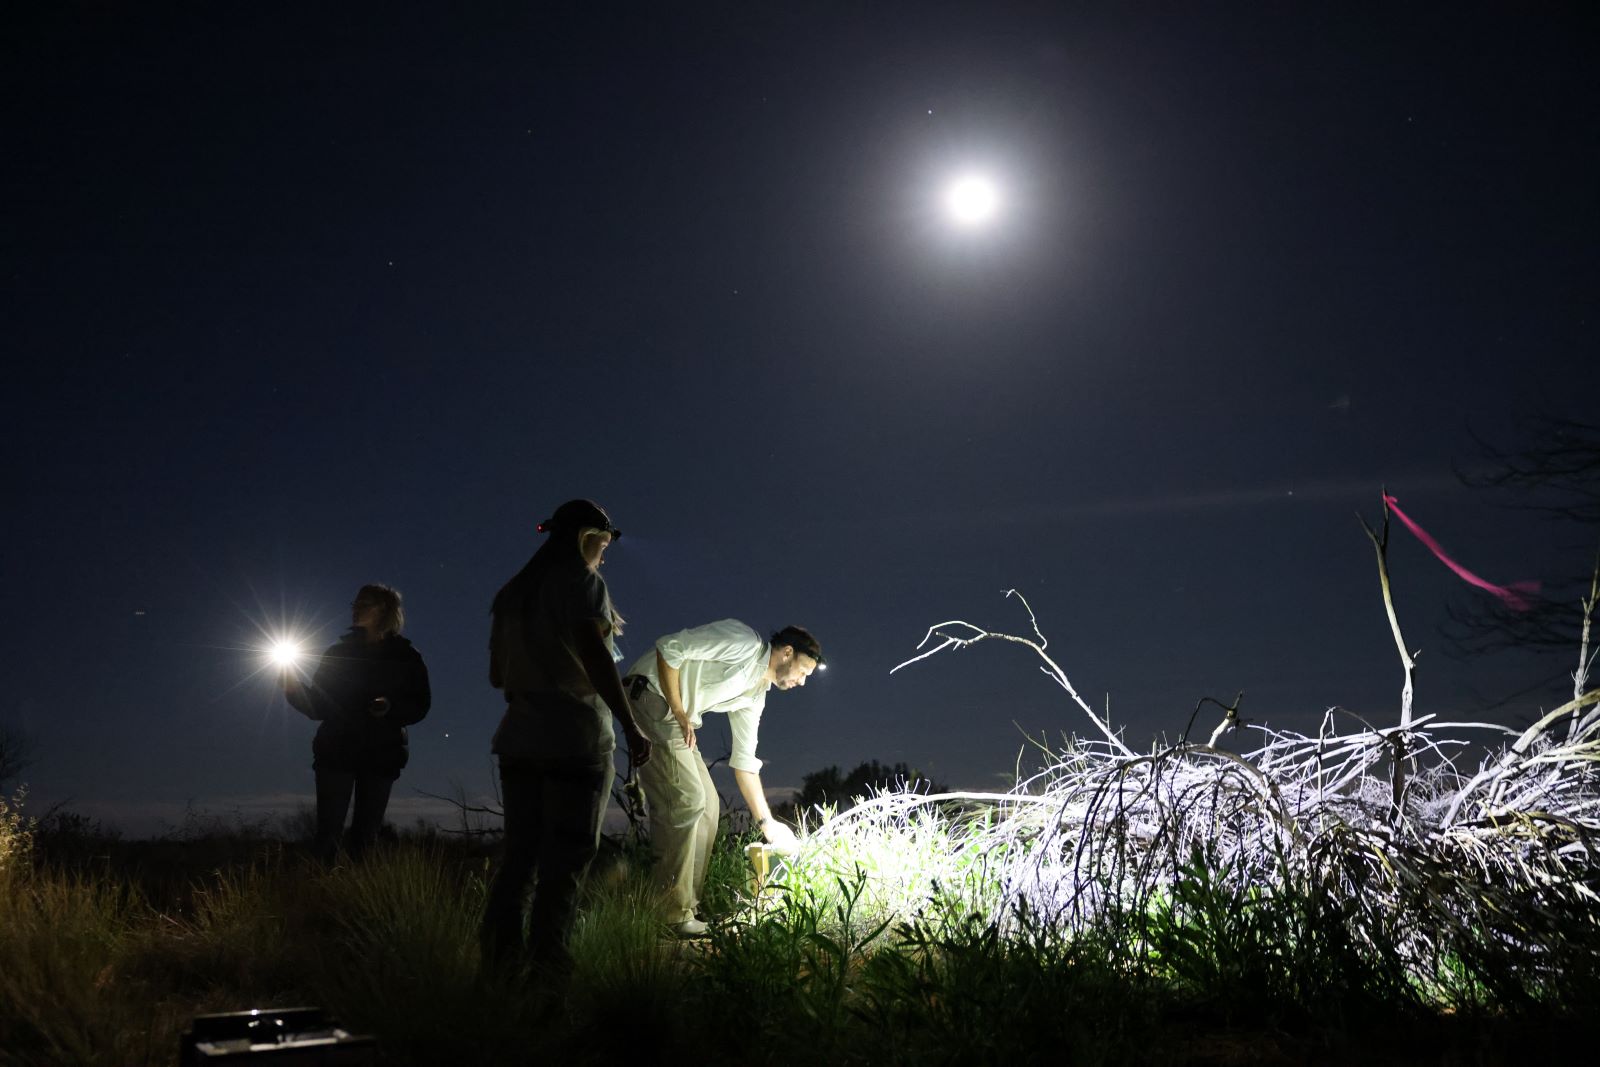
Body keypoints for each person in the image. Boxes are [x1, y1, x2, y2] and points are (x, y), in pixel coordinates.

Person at [479, 499, 654, 978]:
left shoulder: (512, 594)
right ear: (585, 537)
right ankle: (548, 972)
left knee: (520, 858)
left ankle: (498, 967)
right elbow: (595, 657)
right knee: (567, 861)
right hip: (575, 739)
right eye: (606, 539)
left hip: (518, 738)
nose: (608, 549)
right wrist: (631, 724)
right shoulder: (582, 583)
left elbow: (498, 676)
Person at [623, 620, 822, 936]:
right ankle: (669, 914)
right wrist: (679, 710)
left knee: (708, 807)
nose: (801, 681)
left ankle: (688, 909)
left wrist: (767, 824)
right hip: (651, 693)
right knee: (686, 801)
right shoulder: (743, 641)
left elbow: (744, 763)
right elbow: (670, 647)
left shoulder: (756, 694)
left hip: (676, 717)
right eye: (803, 672)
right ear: (787, 653)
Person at [283, 583, 431, 862]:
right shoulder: (337, 653)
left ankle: (357, 899)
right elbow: (318, 705)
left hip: (381, 756)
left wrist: (390, 708)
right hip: (336, 752)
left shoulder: (406, 657)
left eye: (364, 603)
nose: (355, 609)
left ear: (384, 610)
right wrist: (292, 689)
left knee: (366, 838)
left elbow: (420, 705)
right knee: (328, 835)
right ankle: (321, 897)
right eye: (355, 603)